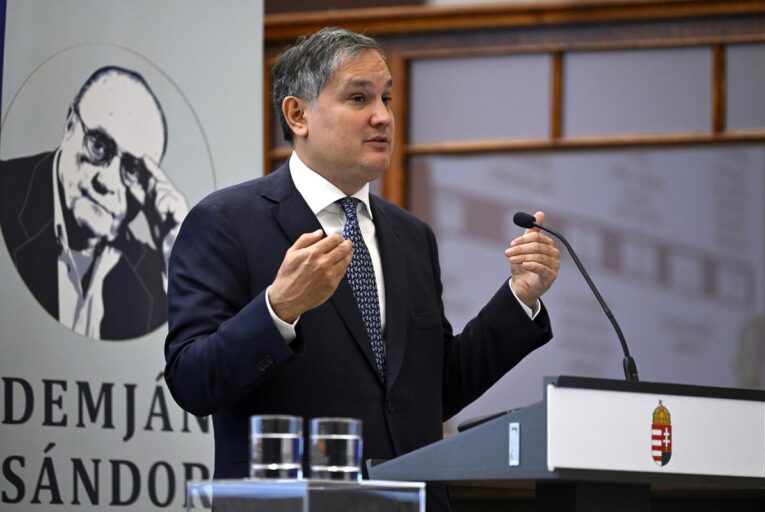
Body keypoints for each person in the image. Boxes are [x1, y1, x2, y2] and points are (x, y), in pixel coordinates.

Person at [164, 28, 560, 511]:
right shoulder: (226, 222)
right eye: (358, 98)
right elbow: (191, 381)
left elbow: (430, 392)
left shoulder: (411, 236)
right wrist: (278, 310)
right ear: (297, 114)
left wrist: (519, 298)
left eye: (386, 98)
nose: (383, 116)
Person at [0, 66, 188, 340]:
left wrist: (175, 246)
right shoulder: (6, 190)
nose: (107, 181)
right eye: (98, 147)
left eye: (132, 169)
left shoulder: (152, 275)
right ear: (70, 125)